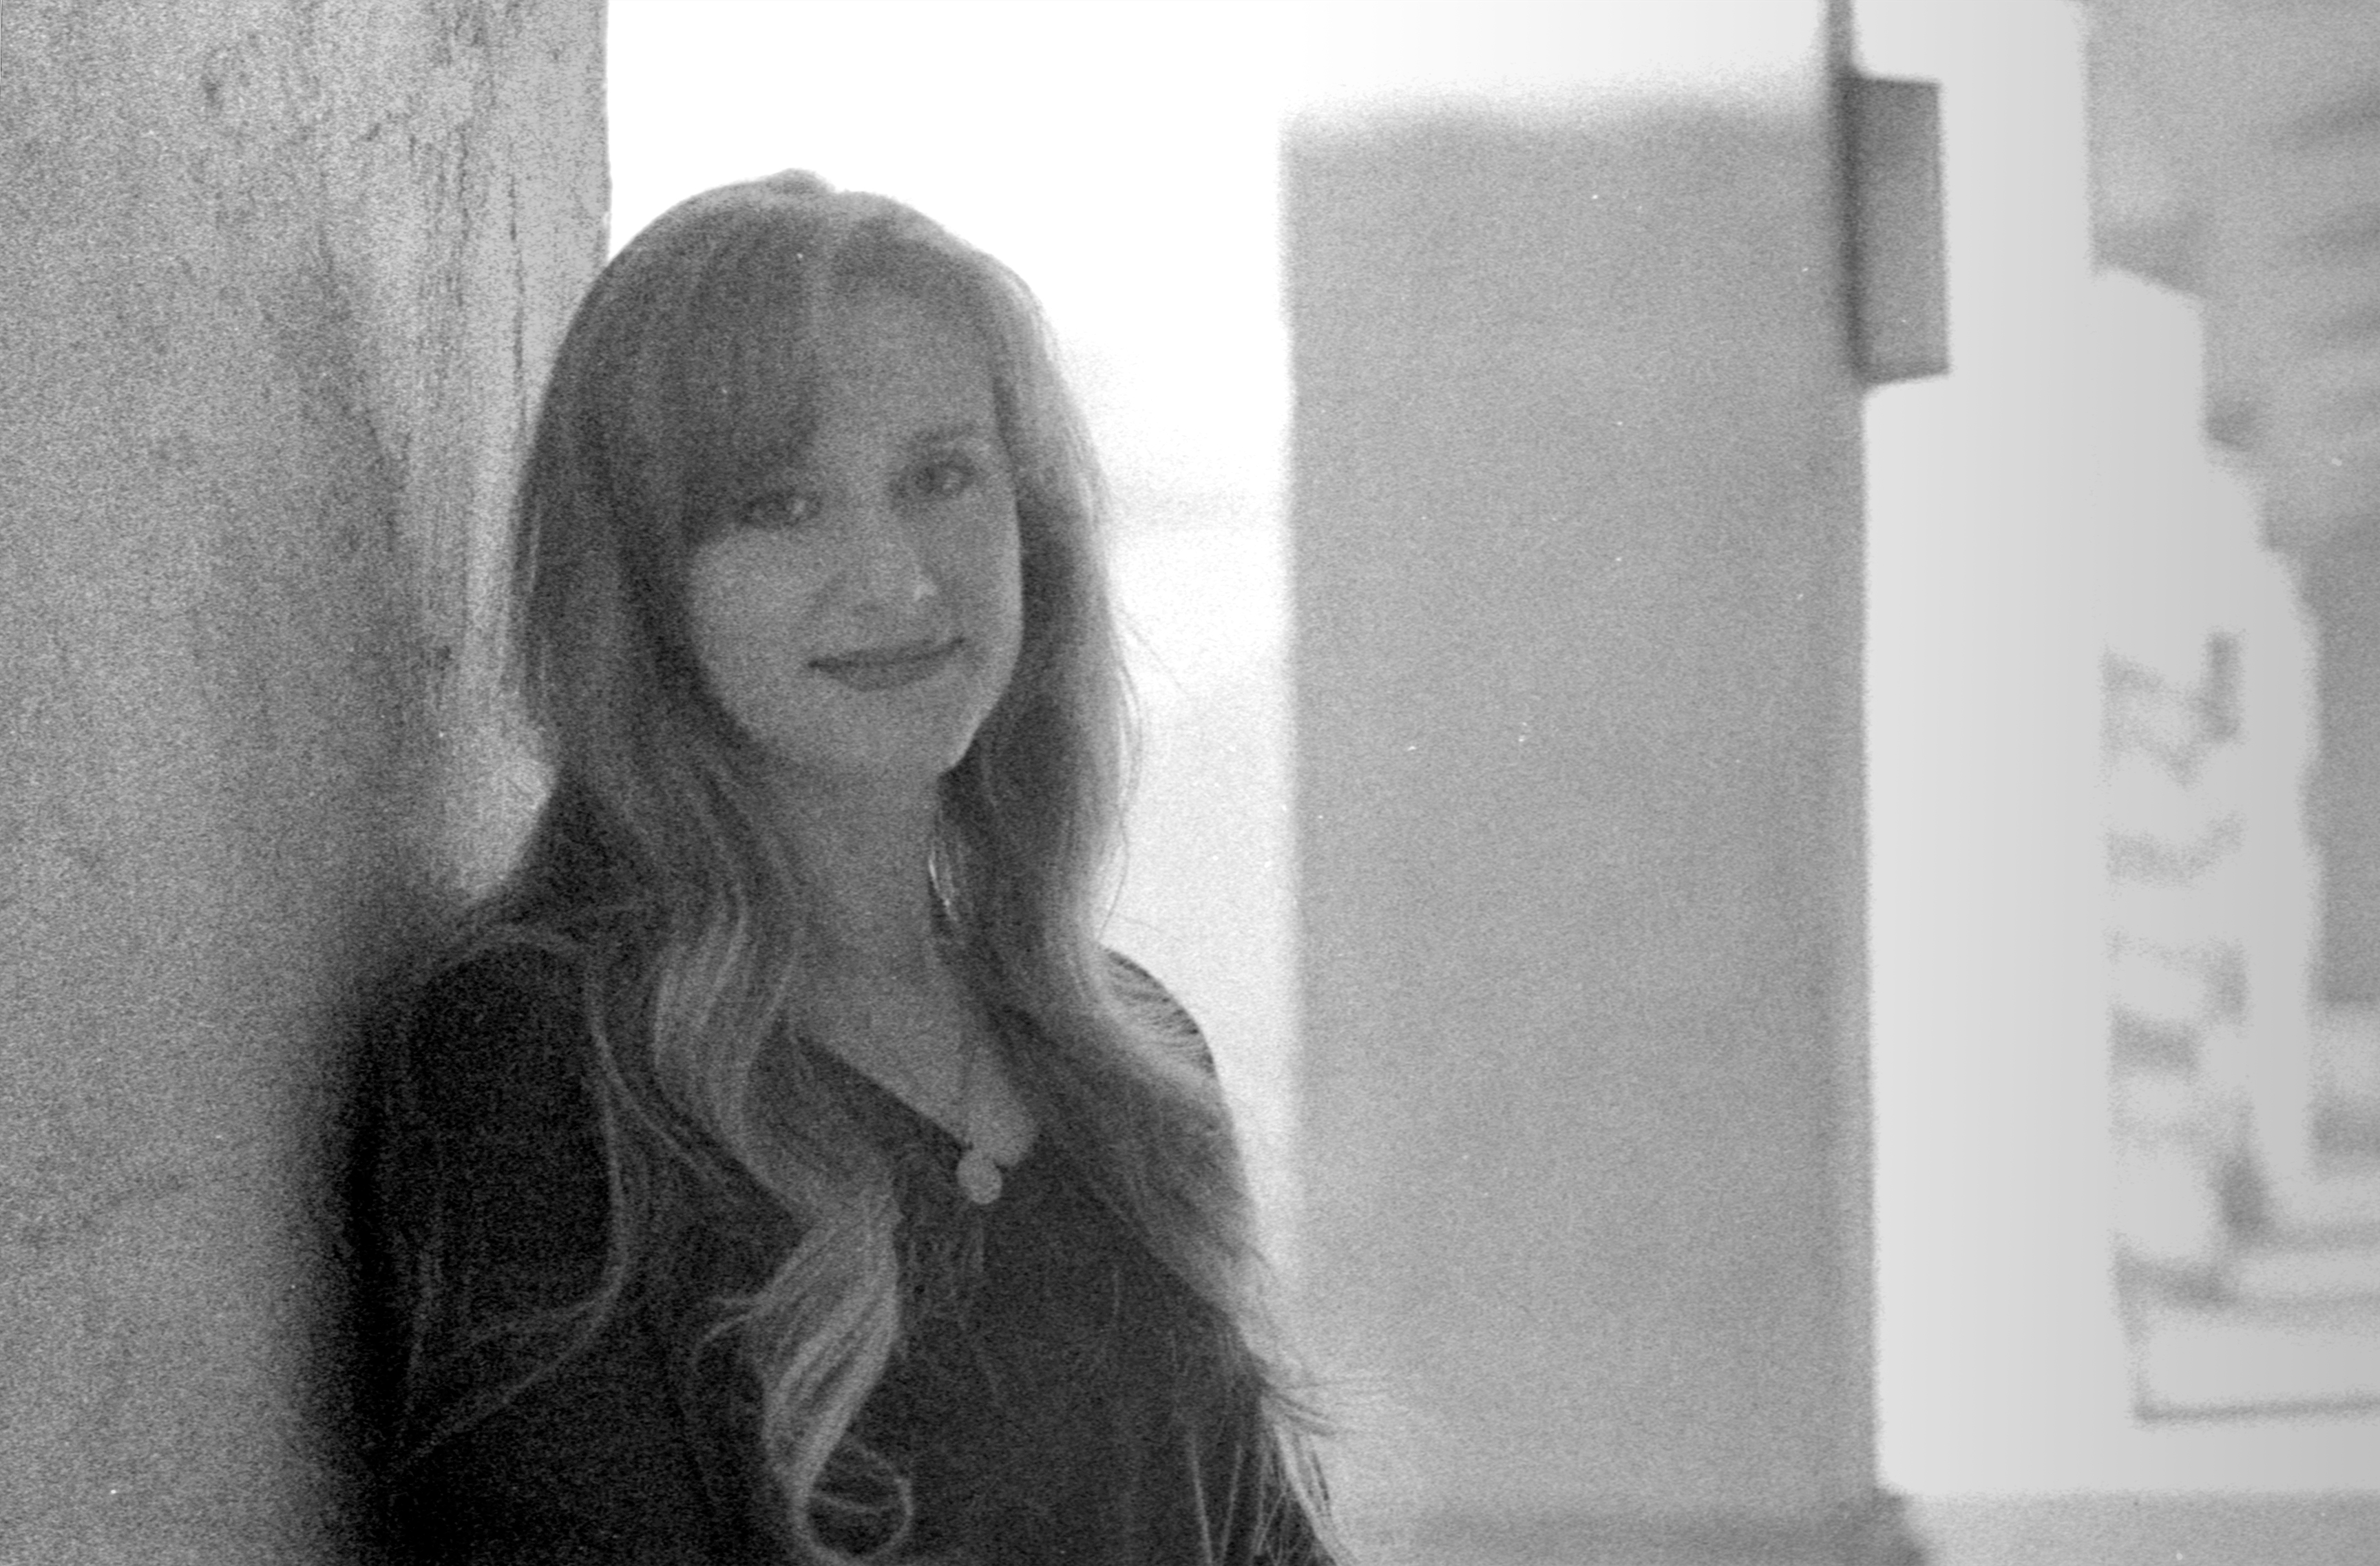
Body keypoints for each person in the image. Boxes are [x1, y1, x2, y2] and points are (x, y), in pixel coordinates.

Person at [353, 171, 1340, 1563]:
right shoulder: (540, 1060)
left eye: (941, 478)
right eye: (780, 504)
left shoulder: (1133, 1058)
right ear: (643, 585)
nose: (897, 578)